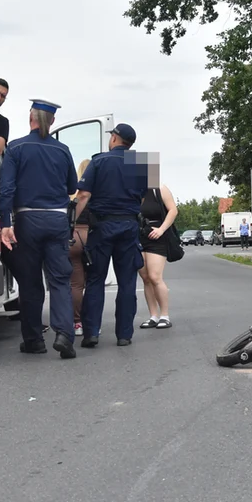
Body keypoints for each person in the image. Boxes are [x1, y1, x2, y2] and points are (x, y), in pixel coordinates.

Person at [0, 98, 80, 359]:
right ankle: (65, 334)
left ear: (30, 118)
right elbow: (71, 187)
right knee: (59, 280)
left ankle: (33, 340)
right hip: (57, 221)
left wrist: (4, 223)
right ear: (52, 121)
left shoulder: (15, 148)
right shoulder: (63, 150)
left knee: (30, 282)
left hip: (27, 221)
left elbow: (7, 188)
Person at [72, 123, 148, 348]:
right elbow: (143, 199)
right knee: (127, 282)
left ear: (114, 138)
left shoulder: (97, 161)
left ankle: (91, 333)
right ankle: (124, 335)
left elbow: (84, 194)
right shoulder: (144, 163)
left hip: (102, 227)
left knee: (95, 279)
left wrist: (70, 223)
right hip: (129, 226)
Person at [138, 183, 179, 329]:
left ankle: (165, 315)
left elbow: (173, 210)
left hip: (157, 236)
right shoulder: (133, 188)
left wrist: (162, 229)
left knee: (155, 276)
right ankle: (153, 316)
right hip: (139, 236)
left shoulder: (159, 188)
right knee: (146, 278)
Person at [68, 159, 92, 337]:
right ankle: (92, 322)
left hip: (75, 237)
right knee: (94, 282)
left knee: (76, 284)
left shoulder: (74, 196)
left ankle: (77, 323)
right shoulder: (100, 194)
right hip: (93, 237)